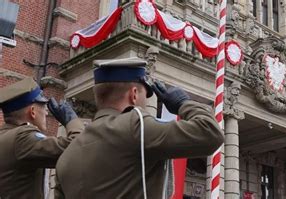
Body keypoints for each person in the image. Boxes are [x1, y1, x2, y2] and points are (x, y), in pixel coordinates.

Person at [55, 57, 224, 198]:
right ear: (134, 94)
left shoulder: (68, 155)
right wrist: (184, 104)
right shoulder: (135, 126)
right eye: (145, 95)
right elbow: (211, 133)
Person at [0, 77, 84, 198]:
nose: (46, 113)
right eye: (44, 107)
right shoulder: (22, 137)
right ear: (32, 111)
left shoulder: (6, 136)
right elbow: (81, 147)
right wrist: (72, 120)